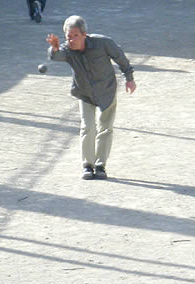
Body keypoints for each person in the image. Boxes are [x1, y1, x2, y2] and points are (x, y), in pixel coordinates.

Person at [46, 15, 136, 179]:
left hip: (106, 90)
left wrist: (129, 78)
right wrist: (54, 48)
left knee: (105, 128)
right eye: (69, 37)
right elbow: (55, 56)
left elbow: (120, 58)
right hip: (85, 93)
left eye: (75, 36)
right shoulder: (67, 50)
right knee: (87, 127)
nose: (72, 40)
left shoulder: (103, 43)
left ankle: (100, 166)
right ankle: (88, 165)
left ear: (84, 34)